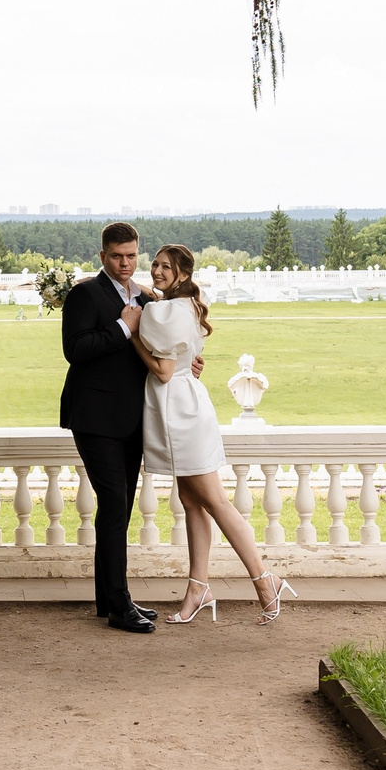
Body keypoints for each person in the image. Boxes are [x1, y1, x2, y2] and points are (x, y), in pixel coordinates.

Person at [133, 244, 294, 625]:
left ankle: (264, 580)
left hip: (181, 413)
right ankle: (198, 588)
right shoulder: (181, 304)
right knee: (190, 501)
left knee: (215, 502)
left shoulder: (165, 313)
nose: (156, 271)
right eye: (154, 264)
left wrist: (132, 335)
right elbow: (152, 298)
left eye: (165, 267)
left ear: (183, 274)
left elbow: (163, 372)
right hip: (183, 407)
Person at [60, 223, 160, 632]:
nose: (125, 263)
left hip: (133, 418)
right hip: (94, 417)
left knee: (118, 508)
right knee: (116, 505)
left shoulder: (146, 297)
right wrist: (123, 327)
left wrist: (185, 362)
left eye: (132, 255)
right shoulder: (84, 294)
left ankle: (108, 599)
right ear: (102, 256)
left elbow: (155, 350)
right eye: (117, 256)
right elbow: (76, 350)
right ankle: (120, 605)